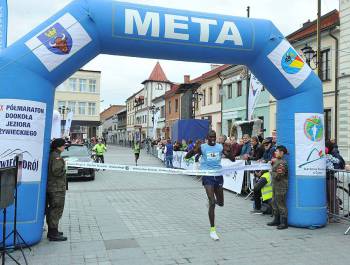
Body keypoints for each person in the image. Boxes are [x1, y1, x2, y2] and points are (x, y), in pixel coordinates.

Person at [185, 130, 224, 241]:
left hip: (218, 176)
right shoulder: (202, 147)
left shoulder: (220, 147)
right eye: (210, 137)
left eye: (214, 137)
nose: (212, 139)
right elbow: (187, 157)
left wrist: (229, 151)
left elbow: (231, 158)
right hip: (207, 176)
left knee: (220, 203)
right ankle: (213, 230)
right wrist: (194, 150)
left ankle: (212, 202)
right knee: (212, 202)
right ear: (207, 138)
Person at [46, 138, 68, 241]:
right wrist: (65, 167)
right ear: (58, 146)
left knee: (53, 209)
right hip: (56, 188)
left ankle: (53, 231)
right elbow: (57, 171)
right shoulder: (56, 157)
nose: (64, 147)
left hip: (53, 186)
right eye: (63, 145)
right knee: (56, 209)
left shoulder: (53, 154)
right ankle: (53, 234)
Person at [267, 145, 289, 229]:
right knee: (274, 202)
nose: (275, 153)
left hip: (281, 186)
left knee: (281, 204)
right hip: (276, 185)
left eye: (277, 151)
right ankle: (276, 220)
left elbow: (279, 176)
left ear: (282, 153)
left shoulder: (282, 163)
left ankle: (284, 222)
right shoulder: (277, 161)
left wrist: (271, 172)